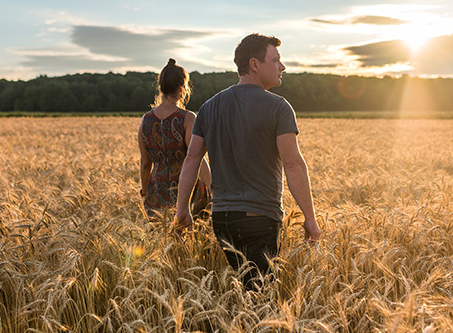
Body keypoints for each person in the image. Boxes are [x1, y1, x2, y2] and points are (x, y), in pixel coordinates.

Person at [175, 33, 321, 290]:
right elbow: (293, 164)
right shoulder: (279, 107)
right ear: (255, 64)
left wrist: (182, 210)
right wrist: (309, 218)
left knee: (246, 291)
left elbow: (192, 159)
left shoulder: (209, 107)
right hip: (260, 218)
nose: (282, 67)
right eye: (276, 60)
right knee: (260, 298)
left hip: (222, 220)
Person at [137, 58, 211, 221]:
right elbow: (196, 157)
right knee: (191, 240)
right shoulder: (187, 118)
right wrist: (212, 187)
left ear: (161, 87)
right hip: (186, 190)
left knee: (159, 240)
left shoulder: (146, 120)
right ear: (182, 88)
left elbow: (145, 163)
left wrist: (144, 190)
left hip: (156, 191)